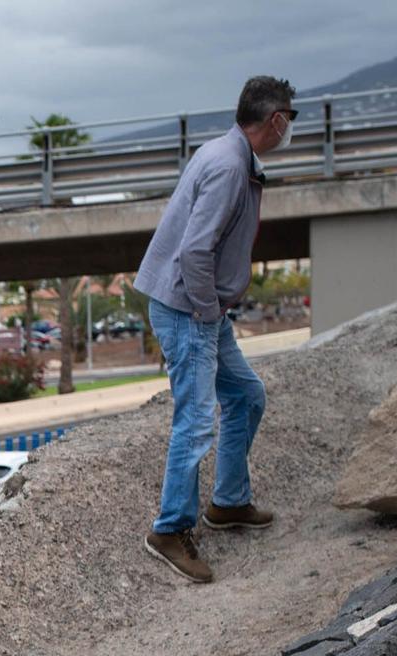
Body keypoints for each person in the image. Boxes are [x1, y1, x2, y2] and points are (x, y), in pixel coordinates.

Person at [134, 75, 294, 585]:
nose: (289, 127)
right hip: (189, 309)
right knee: (197, 420)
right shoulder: (228, 166)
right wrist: (206, 312)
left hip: (199, 307)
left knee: (246, 396)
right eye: (289, 118)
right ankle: (169, 530)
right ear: (275, 120)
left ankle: (227, 503)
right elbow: (196, 251)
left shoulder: (228, 154)